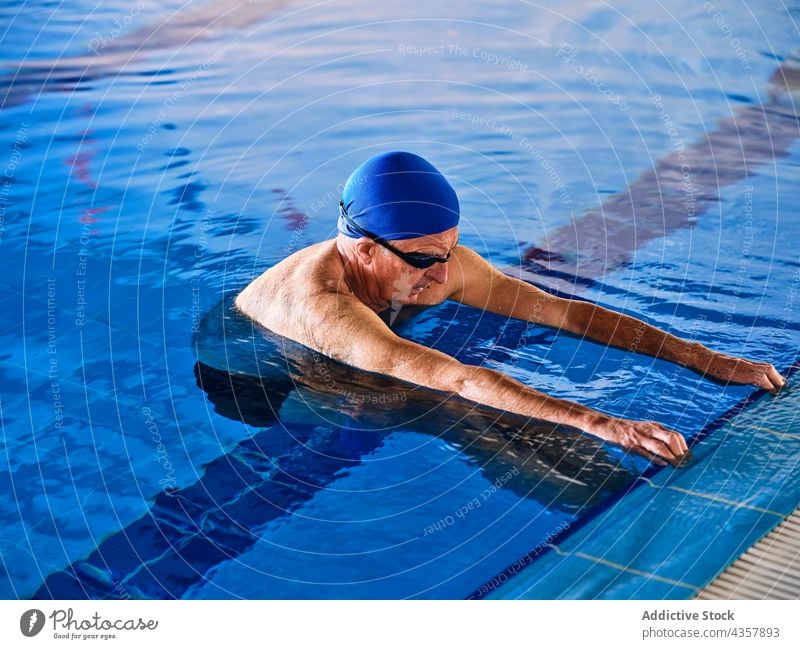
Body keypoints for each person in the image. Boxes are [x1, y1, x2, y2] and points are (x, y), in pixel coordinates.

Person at [234, 151, 786, 467]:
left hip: (369, 324)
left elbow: (563, 313)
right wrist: (603, 423)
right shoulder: (325, 308)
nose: (446, 275)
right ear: (364, 250)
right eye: (426, 259)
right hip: (260, 372)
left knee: (481, 396)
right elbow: (456, 378)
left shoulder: (426, 257)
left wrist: (700, 356)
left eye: (451, 250)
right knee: (445, 410)